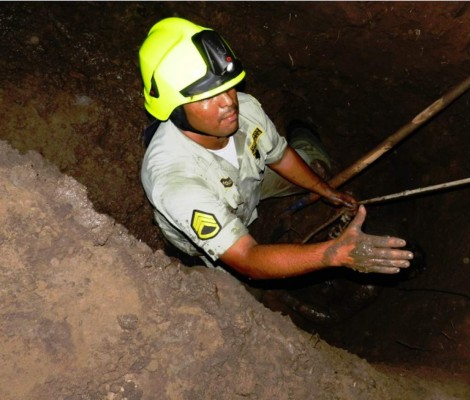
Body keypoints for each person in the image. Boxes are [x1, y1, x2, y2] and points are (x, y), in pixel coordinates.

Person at [138, 17, 413, 279]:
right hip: (207, 246)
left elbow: (280, 156)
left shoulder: (245, 109)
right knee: (239, 296)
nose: (228, 102)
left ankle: (303, 133)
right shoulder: (175, 182)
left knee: (316, 166)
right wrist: (333, 254)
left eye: (229, 86)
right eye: (208, 97)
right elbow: (248, 258)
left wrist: (325, 190)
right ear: (173, 109)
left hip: (248, 185)